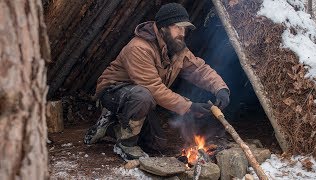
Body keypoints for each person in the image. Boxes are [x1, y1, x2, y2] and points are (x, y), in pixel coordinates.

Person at [84, 3, 230, 160]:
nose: (182, 33)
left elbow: (199, 70)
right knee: (143, 96)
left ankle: (110, 127)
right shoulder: (139, 48)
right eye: (177, 28)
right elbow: (153, 88)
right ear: (162, 28)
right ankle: (126, 144)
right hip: (113, 92)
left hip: (143, 96)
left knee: (156, 144)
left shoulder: (177, 48)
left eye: (184, 29)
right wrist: (189, 106)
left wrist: (221, 89)